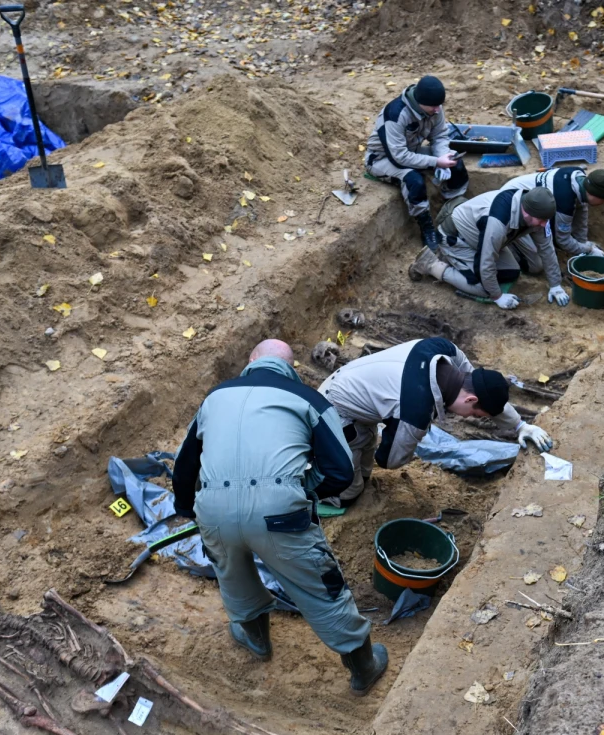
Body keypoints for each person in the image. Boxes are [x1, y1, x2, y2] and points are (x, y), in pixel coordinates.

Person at [171, 339, 388, 697]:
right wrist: (304, 489)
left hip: (213, 507)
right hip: (279, 511)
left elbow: (183, 467)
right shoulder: (309, 399)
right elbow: (341, 470)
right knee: (322, 587)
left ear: (251, 360)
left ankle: (255, 638)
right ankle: (364, 667)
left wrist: (186, 509)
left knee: (233, 576)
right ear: (291, 368)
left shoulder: (215, 397)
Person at [317, 337, 553, 508]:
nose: (469, 417)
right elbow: (390, 460)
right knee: (347, 490)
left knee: (365, 459)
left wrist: (520, 425)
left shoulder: (445, 350)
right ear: (470, 399)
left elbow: (485, 388)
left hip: (357, 384)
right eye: (474, 414)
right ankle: (312, 483)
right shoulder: (416, 409)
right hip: (333, 407)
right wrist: (401, 430)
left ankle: (352, 456)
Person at [409, 186, 569, 310]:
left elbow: (546, 248)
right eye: (541, 221)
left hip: (480, 238)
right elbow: (486, 263)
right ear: (526, 213)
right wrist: (497, 296)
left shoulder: (535, 211)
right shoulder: (497, 222)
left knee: (512, 272)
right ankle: (431, 264)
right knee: (484, 287)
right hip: (456, 238)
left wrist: (555, 285)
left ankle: (456, 262)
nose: (544, 225)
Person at [365, 75, 468, 252]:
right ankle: (426, 227)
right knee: (414, 181)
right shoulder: (396, 114)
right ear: (420, 102)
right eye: (434, 107)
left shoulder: (434, 107)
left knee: (455, 163)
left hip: (410, 151)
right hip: (382, 158)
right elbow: (399, 157)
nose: (438, 110)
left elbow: (440, 136)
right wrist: (436, 162)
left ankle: (452, 210)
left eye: (439, 106)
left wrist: (443, 156)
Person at [501, 168, 604, 257]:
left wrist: (583, 244)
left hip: (531, 203)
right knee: (536, 261)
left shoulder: (579, 177)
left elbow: (581, 212)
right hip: (511, 208)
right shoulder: (565, 199)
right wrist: (588, 250)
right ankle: (511, 247)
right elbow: (563, 240)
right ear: (593, 194)